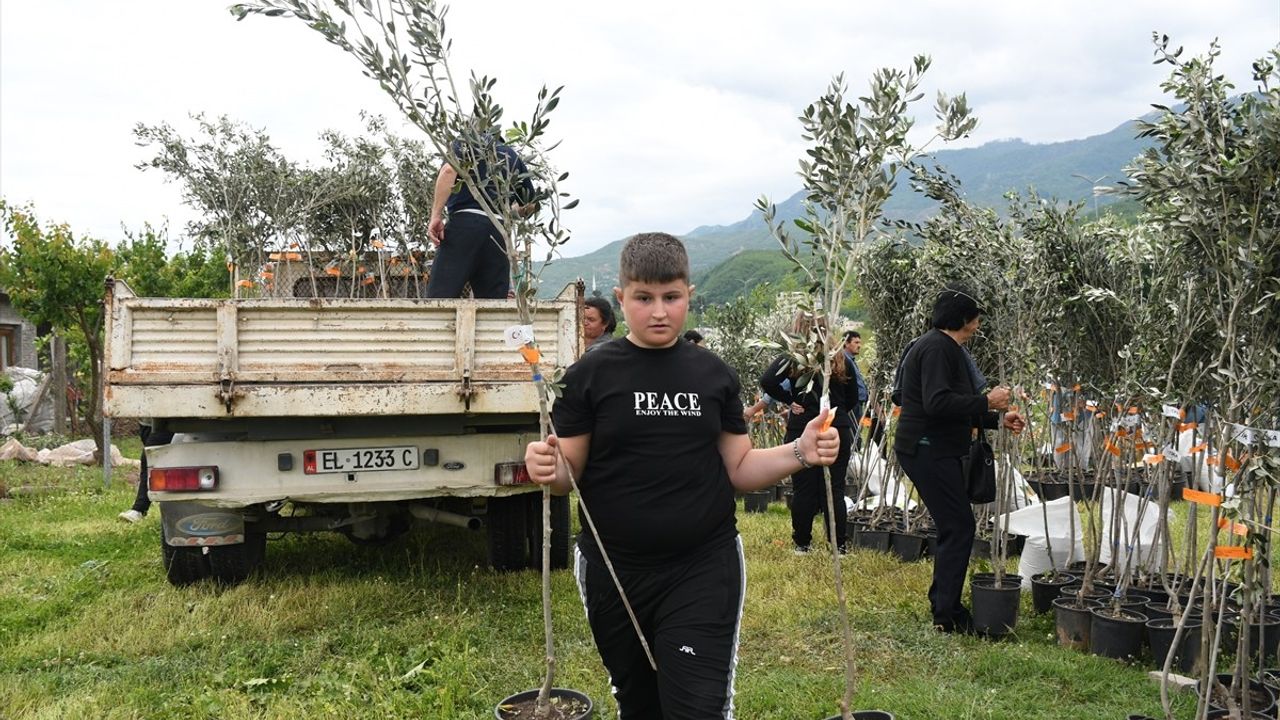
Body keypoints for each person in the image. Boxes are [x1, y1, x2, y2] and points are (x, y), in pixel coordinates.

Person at [524, 232, 838, 719]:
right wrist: (547, 466)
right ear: (622, 296)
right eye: (644, 298)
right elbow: (570, 474)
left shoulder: (712, 375)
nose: (658, 312)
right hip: (613, 570)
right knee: (639, 702)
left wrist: (802, 449)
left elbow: (738, 467)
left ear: (689, 294)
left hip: (703, 565)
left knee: (697, 708)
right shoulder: (590, 375)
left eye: (671, 297)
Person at [893, 286, 1024, 634]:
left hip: (934, 447)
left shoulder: (943, 347)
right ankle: (946, 615)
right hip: (926, 448)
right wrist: (987, 403)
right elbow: (937, 403)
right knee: (959, 525)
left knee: (956, 524)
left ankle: (943, 602)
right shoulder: (937, 349)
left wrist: (997, 419)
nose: (978, 326)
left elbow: (947, 407)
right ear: (963, 320)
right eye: (976, 319)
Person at [760, 316, 859, 555]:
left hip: (802, 427)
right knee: (834, 488)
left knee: (803, 488)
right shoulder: (839, 357)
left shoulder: (794, 359)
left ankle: (802, 543)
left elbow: (767, 381)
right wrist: (838, 413)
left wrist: (791, 400)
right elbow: (854, 396)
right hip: (836, 427)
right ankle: (839, 545)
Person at [425, 128, 535, 299]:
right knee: (492, 306)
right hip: (498, 232)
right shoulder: (511, 155)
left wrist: (436, 216)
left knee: (440, 299)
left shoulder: (466, 143)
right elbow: (530, 205)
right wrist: (509, 213)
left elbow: (448, 171)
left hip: (464, 225)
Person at [118, 419, 174, 523]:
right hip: (147, 421)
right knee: (150, 459)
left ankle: (139, 509)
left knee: (148, 459)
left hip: (167, 420)